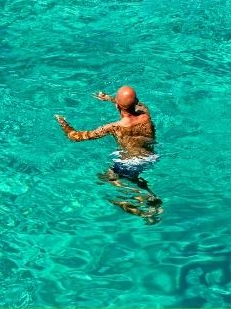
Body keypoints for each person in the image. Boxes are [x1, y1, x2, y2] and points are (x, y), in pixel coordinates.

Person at [55, 86, 161, 222]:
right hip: (150, 157)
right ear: (136, 102)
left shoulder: (114, 127)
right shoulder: (145, 115)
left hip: (128, 162)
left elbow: (76, 137)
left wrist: (63, 123)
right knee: (129, 177)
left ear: (117, 105)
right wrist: (109, 98)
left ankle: (145, 208)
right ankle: (149, 195)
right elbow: (135, 104)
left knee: (108, 181)